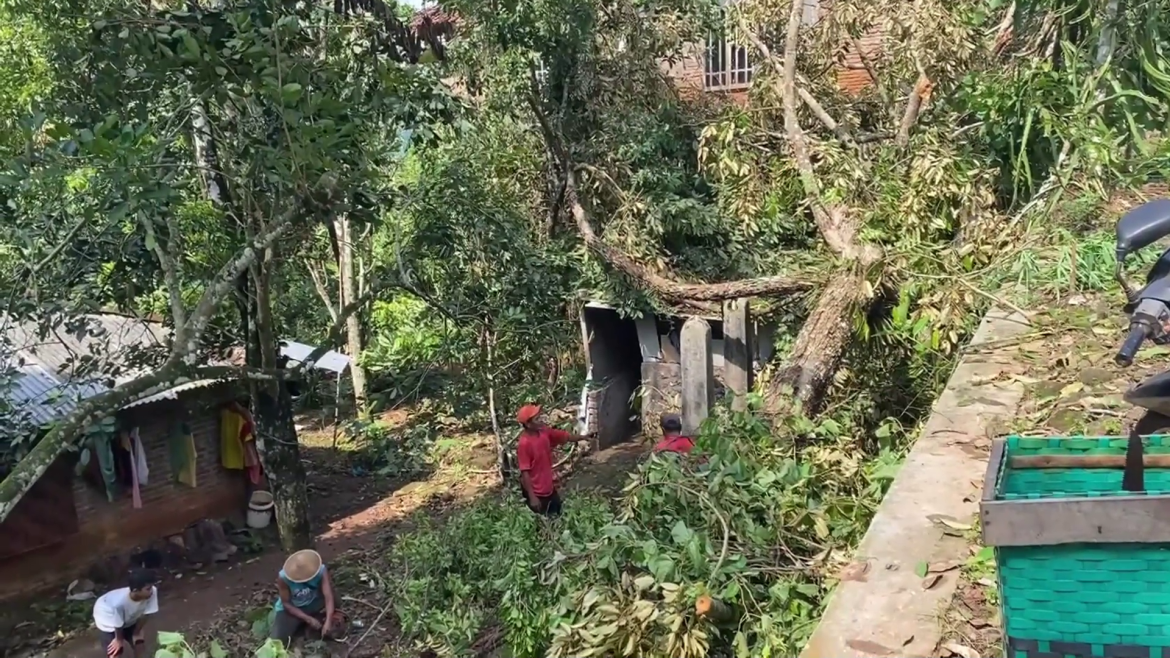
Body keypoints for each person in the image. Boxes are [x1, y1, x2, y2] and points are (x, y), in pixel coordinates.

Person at [516, 404, 592, 516]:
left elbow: (565, 436)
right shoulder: (524, 444)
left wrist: (583, 437)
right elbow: (525, 472)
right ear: (528, 424)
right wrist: (532, 497)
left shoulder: (543, 432)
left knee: (558, 514)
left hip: (549, 487)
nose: (541, 420)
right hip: (537, 493)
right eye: (537, 419)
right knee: (544, 524)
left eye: (540, 416)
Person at [270, 549, 346, 646]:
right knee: (277, 640)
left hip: (313, 602)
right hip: (294, 608)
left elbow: (328, 595)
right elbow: (286, 604)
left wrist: (328, 620)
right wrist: (308, 619)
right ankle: (305, 624)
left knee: (335, 600)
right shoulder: (283, 578)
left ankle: (318, 622)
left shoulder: (321, 570)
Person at [93, 569, 159, 657]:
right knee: (115, 652)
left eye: (151, 587)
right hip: (107, 619)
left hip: (129, 618)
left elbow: (146, 614)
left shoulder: (152, 592)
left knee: (140, 647)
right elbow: (118, 624)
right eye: (148, 589)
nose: (151, 591)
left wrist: (136, 632)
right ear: (135, 590)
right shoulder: (119, 603)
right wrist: (118, 640)